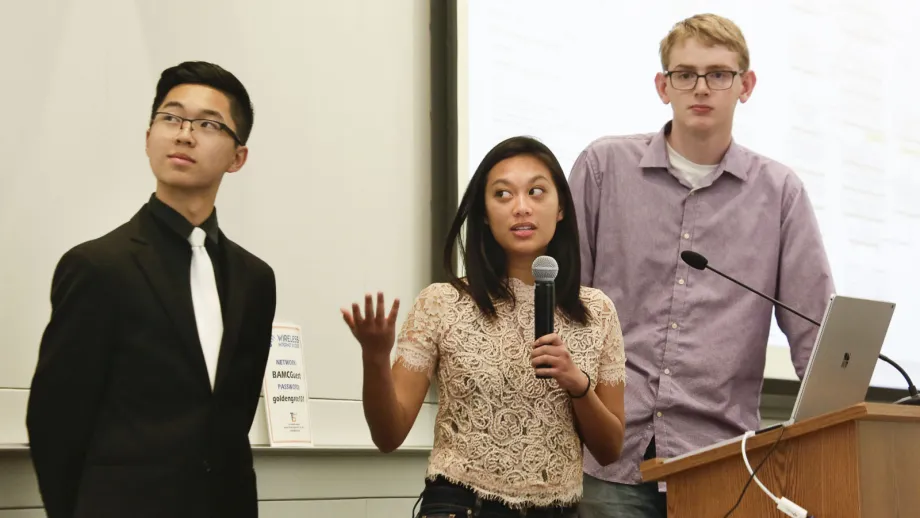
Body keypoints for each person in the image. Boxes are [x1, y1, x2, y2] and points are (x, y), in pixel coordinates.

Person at [569, 13, 835, 518]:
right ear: (662, 86)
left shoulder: (779, 194)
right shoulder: (603, 169)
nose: (701, 88)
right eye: (685, 73)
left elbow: (815, 336)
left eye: (719, 73)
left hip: (720, 466)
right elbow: (563, 306)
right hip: (605, 459)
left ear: (746, 85)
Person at [26, 61, 277, 518]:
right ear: (148, 138)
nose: (184, 134)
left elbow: (230, 418)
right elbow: (54, 422)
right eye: (170, 118)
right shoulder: (98, 266)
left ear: (238, 157)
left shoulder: (255, 280)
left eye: (207, 124)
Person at [341, 136, 626, 517]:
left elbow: (610, 451)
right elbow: (388, 435)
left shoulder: (598, 312)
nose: (521, 207)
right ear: (485, 214)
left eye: (536, 192)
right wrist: (375, 358)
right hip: (463, 506)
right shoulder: (441, 302)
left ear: (560, 208)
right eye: (503, 195)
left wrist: (578, 385)